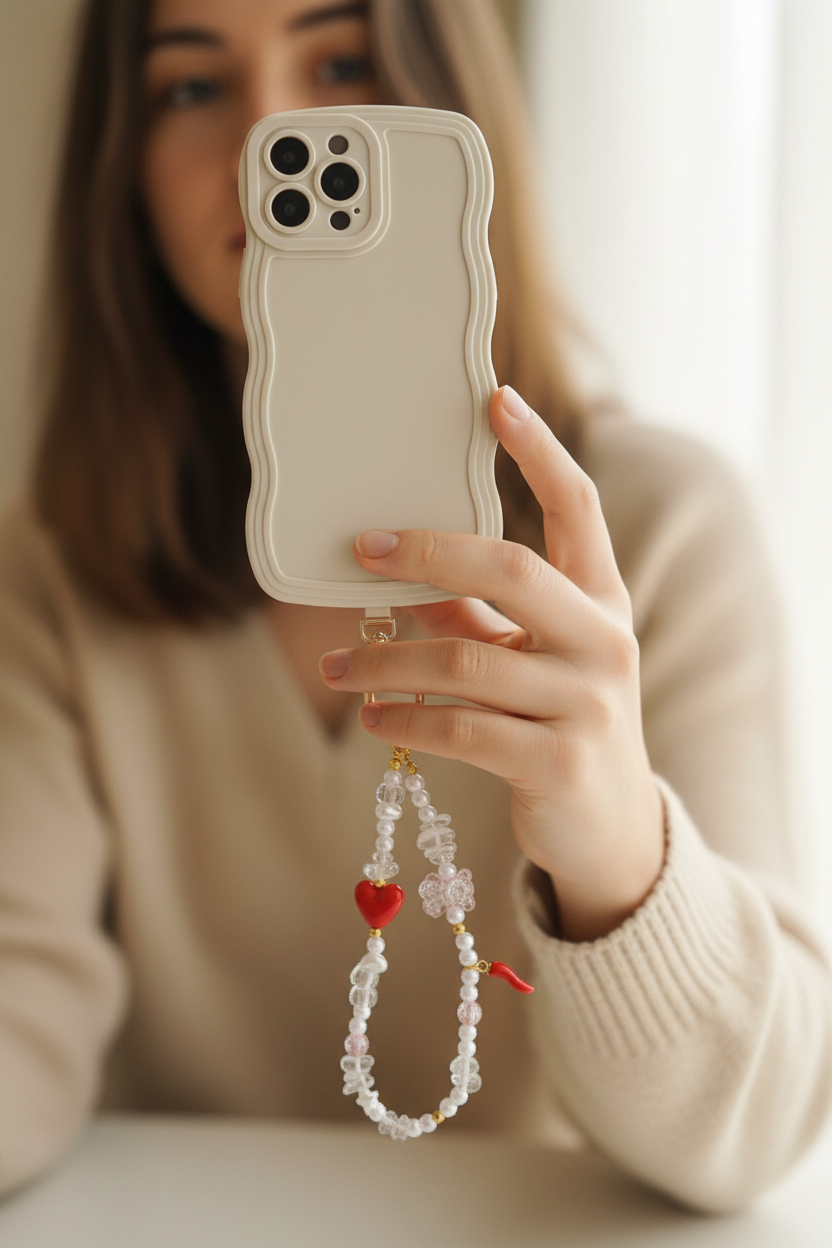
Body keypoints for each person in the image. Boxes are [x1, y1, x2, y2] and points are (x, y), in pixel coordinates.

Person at [0, 0, 830, 1209]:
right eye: (189, 88)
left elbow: (752, 1141)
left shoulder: (660, 532)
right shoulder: (58, 573)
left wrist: (614, 852)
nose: (273, 133)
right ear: (116, 167)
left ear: (457, 121)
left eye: (340, 62)